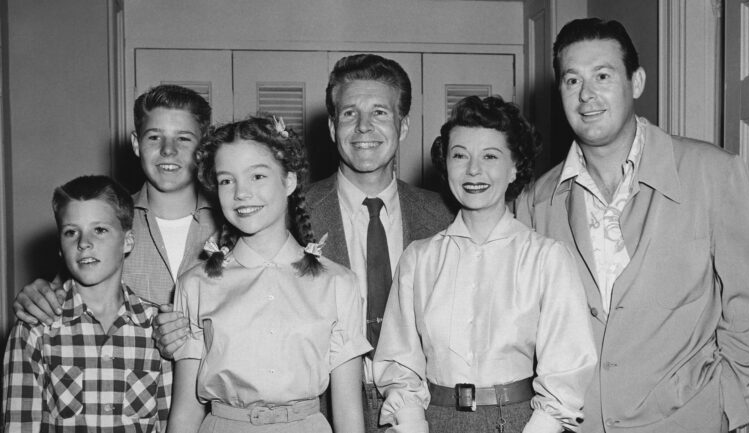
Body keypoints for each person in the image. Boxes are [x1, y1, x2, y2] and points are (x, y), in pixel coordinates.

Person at [515, 18, 749, 433]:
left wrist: (728, 400)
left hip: (691, 420)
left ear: (636, 82)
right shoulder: (535, 202)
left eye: (602, 75)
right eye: (571, 80)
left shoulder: (712, 173)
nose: (587, 96)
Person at [373, 96, 596, 433]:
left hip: (520, 422)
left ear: (515, 167)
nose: (473, 170)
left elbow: (568, 368)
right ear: (445, 164)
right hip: (435, 420)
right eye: (460, 155)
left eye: (490, 156)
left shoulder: (546, 258)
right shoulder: (418, 260)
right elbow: (399, 364)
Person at [167, 115, 371, 433]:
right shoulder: (195, 284)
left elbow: (348, 414)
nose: (241, 193)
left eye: (258, 176)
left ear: (289, 180)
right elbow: (184, 413)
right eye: (226, 180)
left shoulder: (337, 283)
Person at [306, 53, 455, 432]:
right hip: (322, 412)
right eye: (350, 113)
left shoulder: (444, 216)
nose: (363, 127)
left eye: (380, 113)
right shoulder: (293, 215)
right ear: (331, 125)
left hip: (424, 411)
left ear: (403, 126)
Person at [12, 85, 218, 355]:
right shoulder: (105, 224)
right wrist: (37, 297)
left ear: (203, 148)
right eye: (154, 137)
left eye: (183, 139)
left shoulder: (230, 227)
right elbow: (59, 297)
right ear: (136, 144)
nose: (168, 150)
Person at [2, 175, 172, 432]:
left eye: (100, 230)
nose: (83, 243)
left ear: (127, 241)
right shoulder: (34, 329)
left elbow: (170, 421)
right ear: (60, 246)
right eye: (71, 232)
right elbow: (19, 424)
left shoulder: (156, 329)